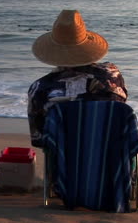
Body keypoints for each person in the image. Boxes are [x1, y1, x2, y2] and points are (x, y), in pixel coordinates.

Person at [28, 10, 128, 147]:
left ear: (53, 51)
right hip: (112, 159)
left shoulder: (40, 88)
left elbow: (39, 140)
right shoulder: (112, 74)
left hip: (65, 163)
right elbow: (122, 110)